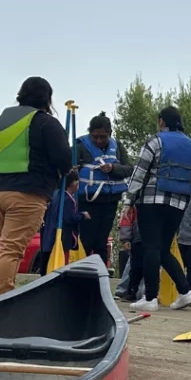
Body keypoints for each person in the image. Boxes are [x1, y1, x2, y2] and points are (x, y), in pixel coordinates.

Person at [0, 77, 73, 296]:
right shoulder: (47, 122)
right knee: (11, 250)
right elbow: (64, 160)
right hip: (27, 194)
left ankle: (0, 293)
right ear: (47, 98)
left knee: (6, 248)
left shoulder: (0, 122)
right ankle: (0, 302)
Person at [124, 106, 191, 313]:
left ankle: (150, 297)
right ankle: (185, 292)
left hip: (152, 199)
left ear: (161, 122)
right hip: (179, 203)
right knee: (163, 249)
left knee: (150, 247)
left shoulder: (155, 141)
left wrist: (129, 201)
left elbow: (139, 172)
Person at [75, 112, 133, 268]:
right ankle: (81, 270)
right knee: (86, 239)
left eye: (103, 137)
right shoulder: (80, 147)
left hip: (110, 202)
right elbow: (70, 172)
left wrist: (113, 168)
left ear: (110, 134)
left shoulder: (118, 147)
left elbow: (129, 169)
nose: (99, 140)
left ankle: (100, 272)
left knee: (101, 240)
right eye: (95, 137)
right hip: (87, 201)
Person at [38, 170, 86, 273]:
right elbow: (69, 218)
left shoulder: (55, 195)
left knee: (48, 258)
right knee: (62, 258)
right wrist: (82, 216)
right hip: (62, 235)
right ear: (73, 183)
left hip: (49, 234)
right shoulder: (67, 199)